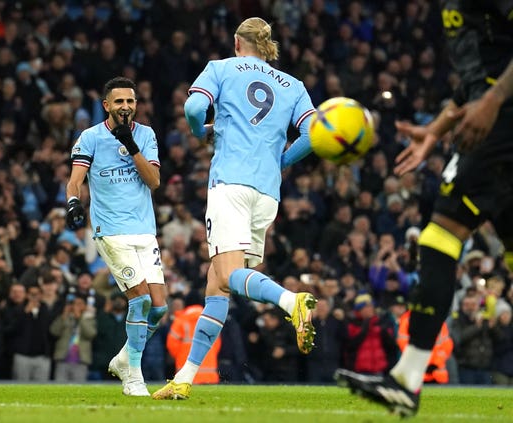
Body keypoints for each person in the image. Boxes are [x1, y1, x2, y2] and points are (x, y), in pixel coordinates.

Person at [336, 1, 513, 417]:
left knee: (440, 236)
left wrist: (492, 101)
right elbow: (472, 78)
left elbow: (487, 83)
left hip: (503, 120)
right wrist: (436, 129)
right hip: (490, 114)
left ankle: (406, 378)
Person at [153, 17, 317, 400]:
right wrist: (281, 162)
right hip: (267, 193)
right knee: (219, 284)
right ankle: (185, 378)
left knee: (227, 275)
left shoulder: (222, 68)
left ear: (236, 43)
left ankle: (291, 301)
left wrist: (197, 132)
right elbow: (313, 134)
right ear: (267, 46)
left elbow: (194, 107)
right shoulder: (293, 85)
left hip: (230, 183)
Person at [65, 76, 168, 396]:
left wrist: (132, 145)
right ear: (106, 105)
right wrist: (72, 203)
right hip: (111, 230)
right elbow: (74, 181)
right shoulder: (90, 137)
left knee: (160, 309)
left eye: (131, 101)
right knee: (140, 300)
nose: (126, 106)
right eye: (119, 101)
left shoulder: (146, 135)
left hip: (145, 230)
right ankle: (133, 376)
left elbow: (154, 182)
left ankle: (125, 356)